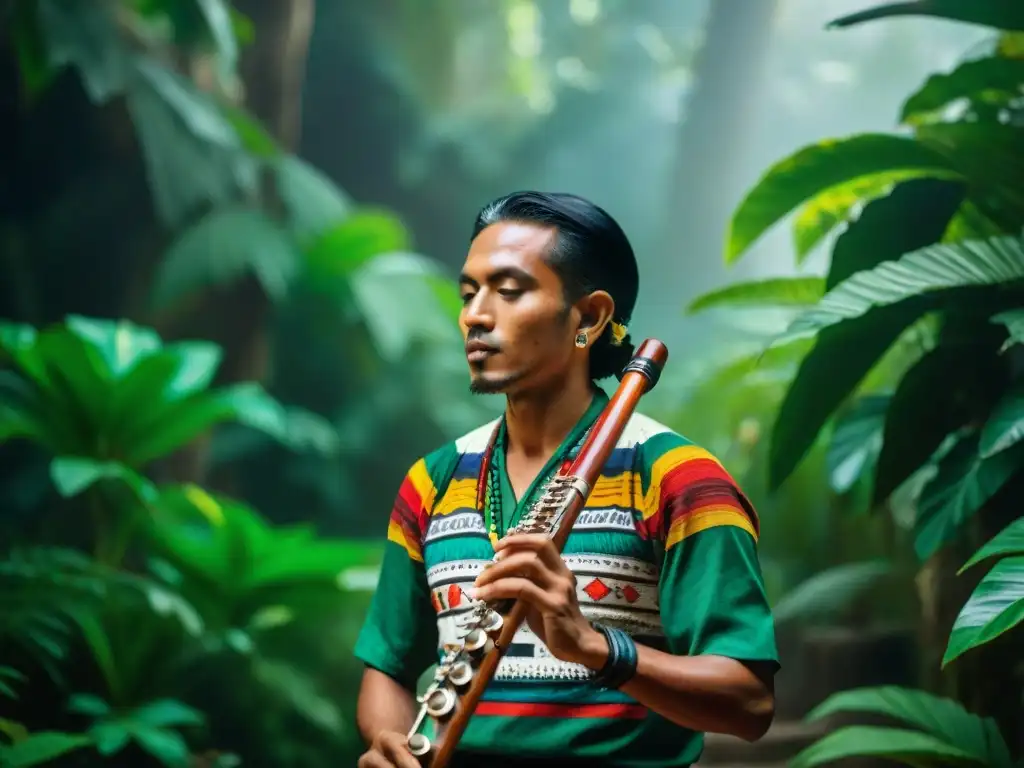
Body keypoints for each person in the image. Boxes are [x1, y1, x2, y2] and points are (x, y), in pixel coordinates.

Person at [353, 191, 779, 767]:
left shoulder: (680, 479)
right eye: (468, 293)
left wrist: (593, 647)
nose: (476, 314)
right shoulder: (431, 482)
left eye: (507, 291)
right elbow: (387, 668)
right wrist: (390, 740)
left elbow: (748, 704)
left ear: (590, 318)